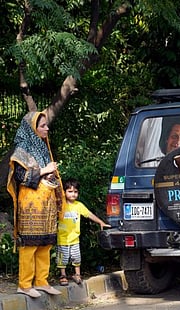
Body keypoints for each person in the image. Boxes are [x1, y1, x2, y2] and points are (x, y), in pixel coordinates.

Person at [7, 111, 64, 298]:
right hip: (30, 203)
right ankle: (24, 284)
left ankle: (42, 281)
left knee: (45, 243)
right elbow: (19, 177)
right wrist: (44, 170)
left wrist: (50, 174)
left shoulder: (42, 146)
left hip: (46, 201)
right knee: (29, 244)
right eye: (42, 126)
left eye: (46, 125)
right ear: (32, 128)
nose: (47, 128)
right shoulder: (22, 150)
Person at [56, 178, 111, 285]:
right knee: (62, 259)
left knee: (76, 258)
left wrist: (100, 222)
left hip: (75, 239)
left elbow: (89, 214)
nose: (73, 194)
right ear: (64, 192)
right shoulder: (60, 205)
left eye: (75, 192)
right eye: (70, 191)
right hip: (62, 238)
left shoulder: (79, 205)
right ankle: (63, 275)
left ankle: (77, 274)